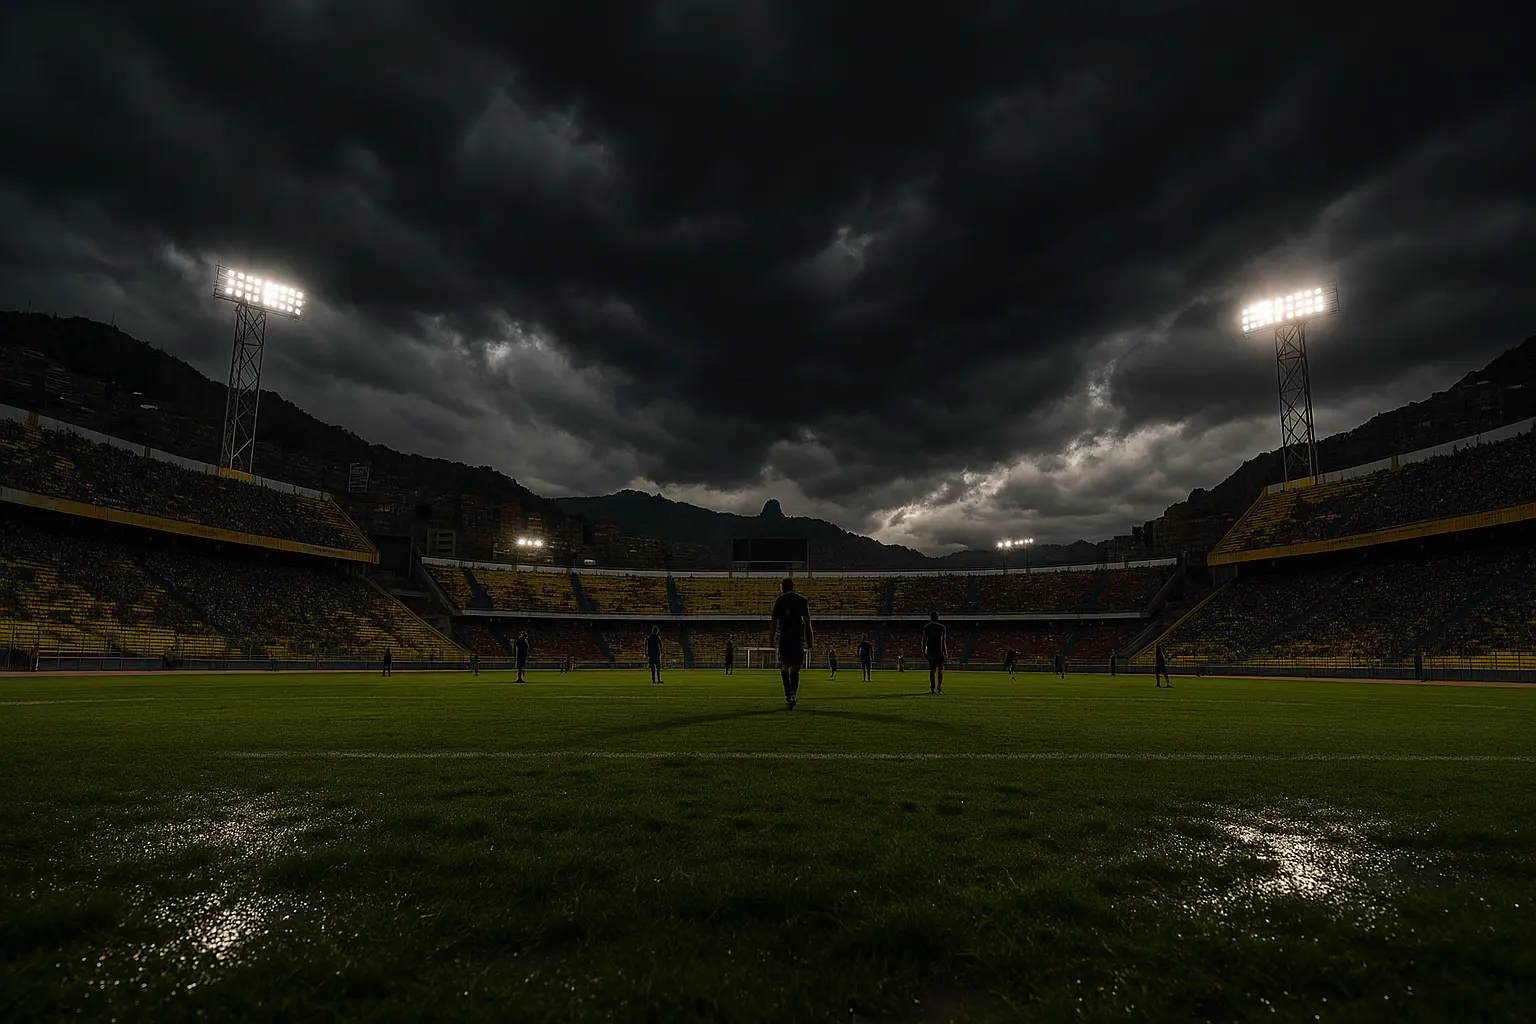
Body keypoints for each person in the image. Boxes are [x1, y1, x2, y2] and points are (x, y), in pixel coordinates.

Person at [768, 577, 813, 709]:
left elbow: (774, 623)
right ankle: (792, 694)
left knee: (784, 666)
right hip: (796, 639)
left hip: (784, 638)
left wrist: (771, 639)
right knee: (796, 668)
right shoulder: (801, 600)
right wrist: (810, 640)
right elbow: (807, 622)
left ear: (782, 587)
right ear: (793, 587)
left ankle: (788, 695)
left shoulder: (779, 601)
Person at [922, 612, 947, 694]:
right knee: (940, 670)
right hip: (939, 651)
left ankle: (932, 687)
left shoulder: (927, 627)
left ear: (930, 618)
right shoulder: (941, 627)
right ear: (937, 618)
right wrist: (945, 652)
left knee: (932, 671)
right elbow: (943, 641)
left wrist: (924, 651)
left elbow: (924, 640)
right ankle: (939, 687)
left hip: (931, 651)